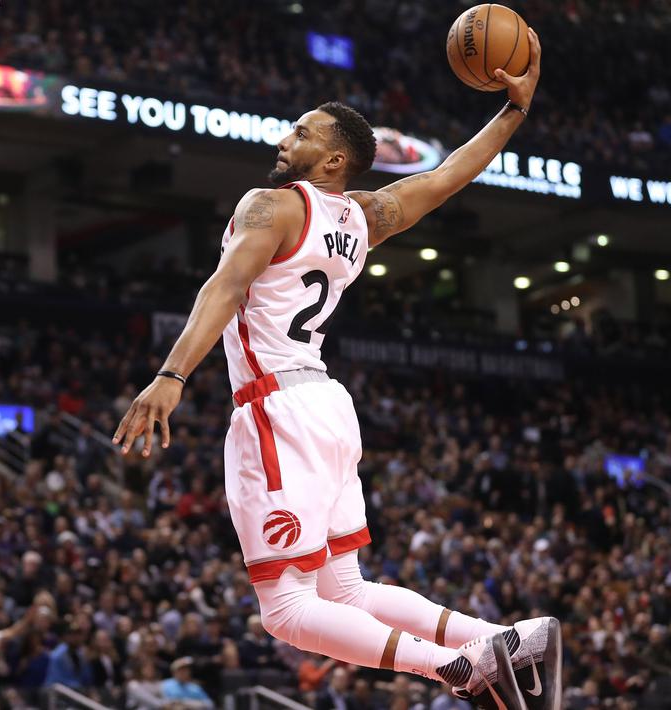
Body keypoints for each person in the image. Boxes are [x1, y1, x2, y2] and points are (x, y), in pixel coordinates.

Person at [112, 29, 558, 710]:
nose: (282, 142)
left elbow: (225, 289)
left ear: (333, 159)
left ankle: (456, 667)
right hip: (326, 404)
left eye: (299, 134)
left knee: (286, 610)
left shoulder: (271, 204)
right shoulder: (361, 217)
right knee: (342, 589)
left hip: (276, 407)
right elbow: (446, 177)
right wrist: (513, 112)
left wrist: (170, 376)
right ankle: (505, 637)